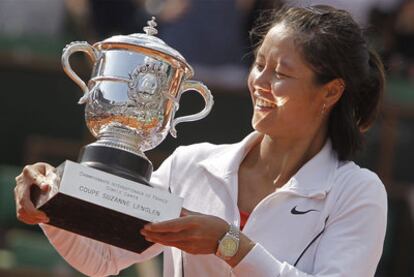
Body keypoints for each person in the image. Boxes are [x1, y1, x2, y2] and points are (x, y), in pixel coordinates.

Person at [14, 5, 387, 277]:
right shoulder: (189, 164)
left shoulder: (357, 192)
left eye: (282, 74)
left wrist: (231, 246)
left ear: (331, 91)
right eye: (259, 65)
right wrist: (51, 205)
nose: (260, 83)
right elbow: (102, 258)